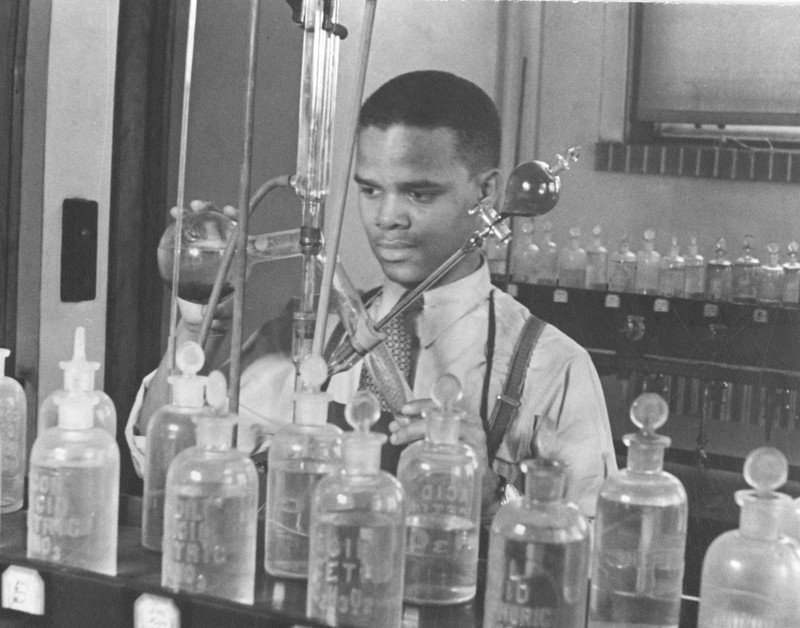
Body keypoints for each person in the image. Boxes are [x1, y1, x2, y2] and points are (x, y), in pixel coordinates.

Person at [127, 70, 616, 522]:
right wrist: (198, 325)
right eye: (370, 190)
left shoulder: (550, 368)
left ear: (485, 192)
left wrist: (491, 492)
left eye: (419, 194)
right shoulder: (312, 332)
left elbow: (593, 563)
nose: (387, 218)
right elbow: (162, 460)